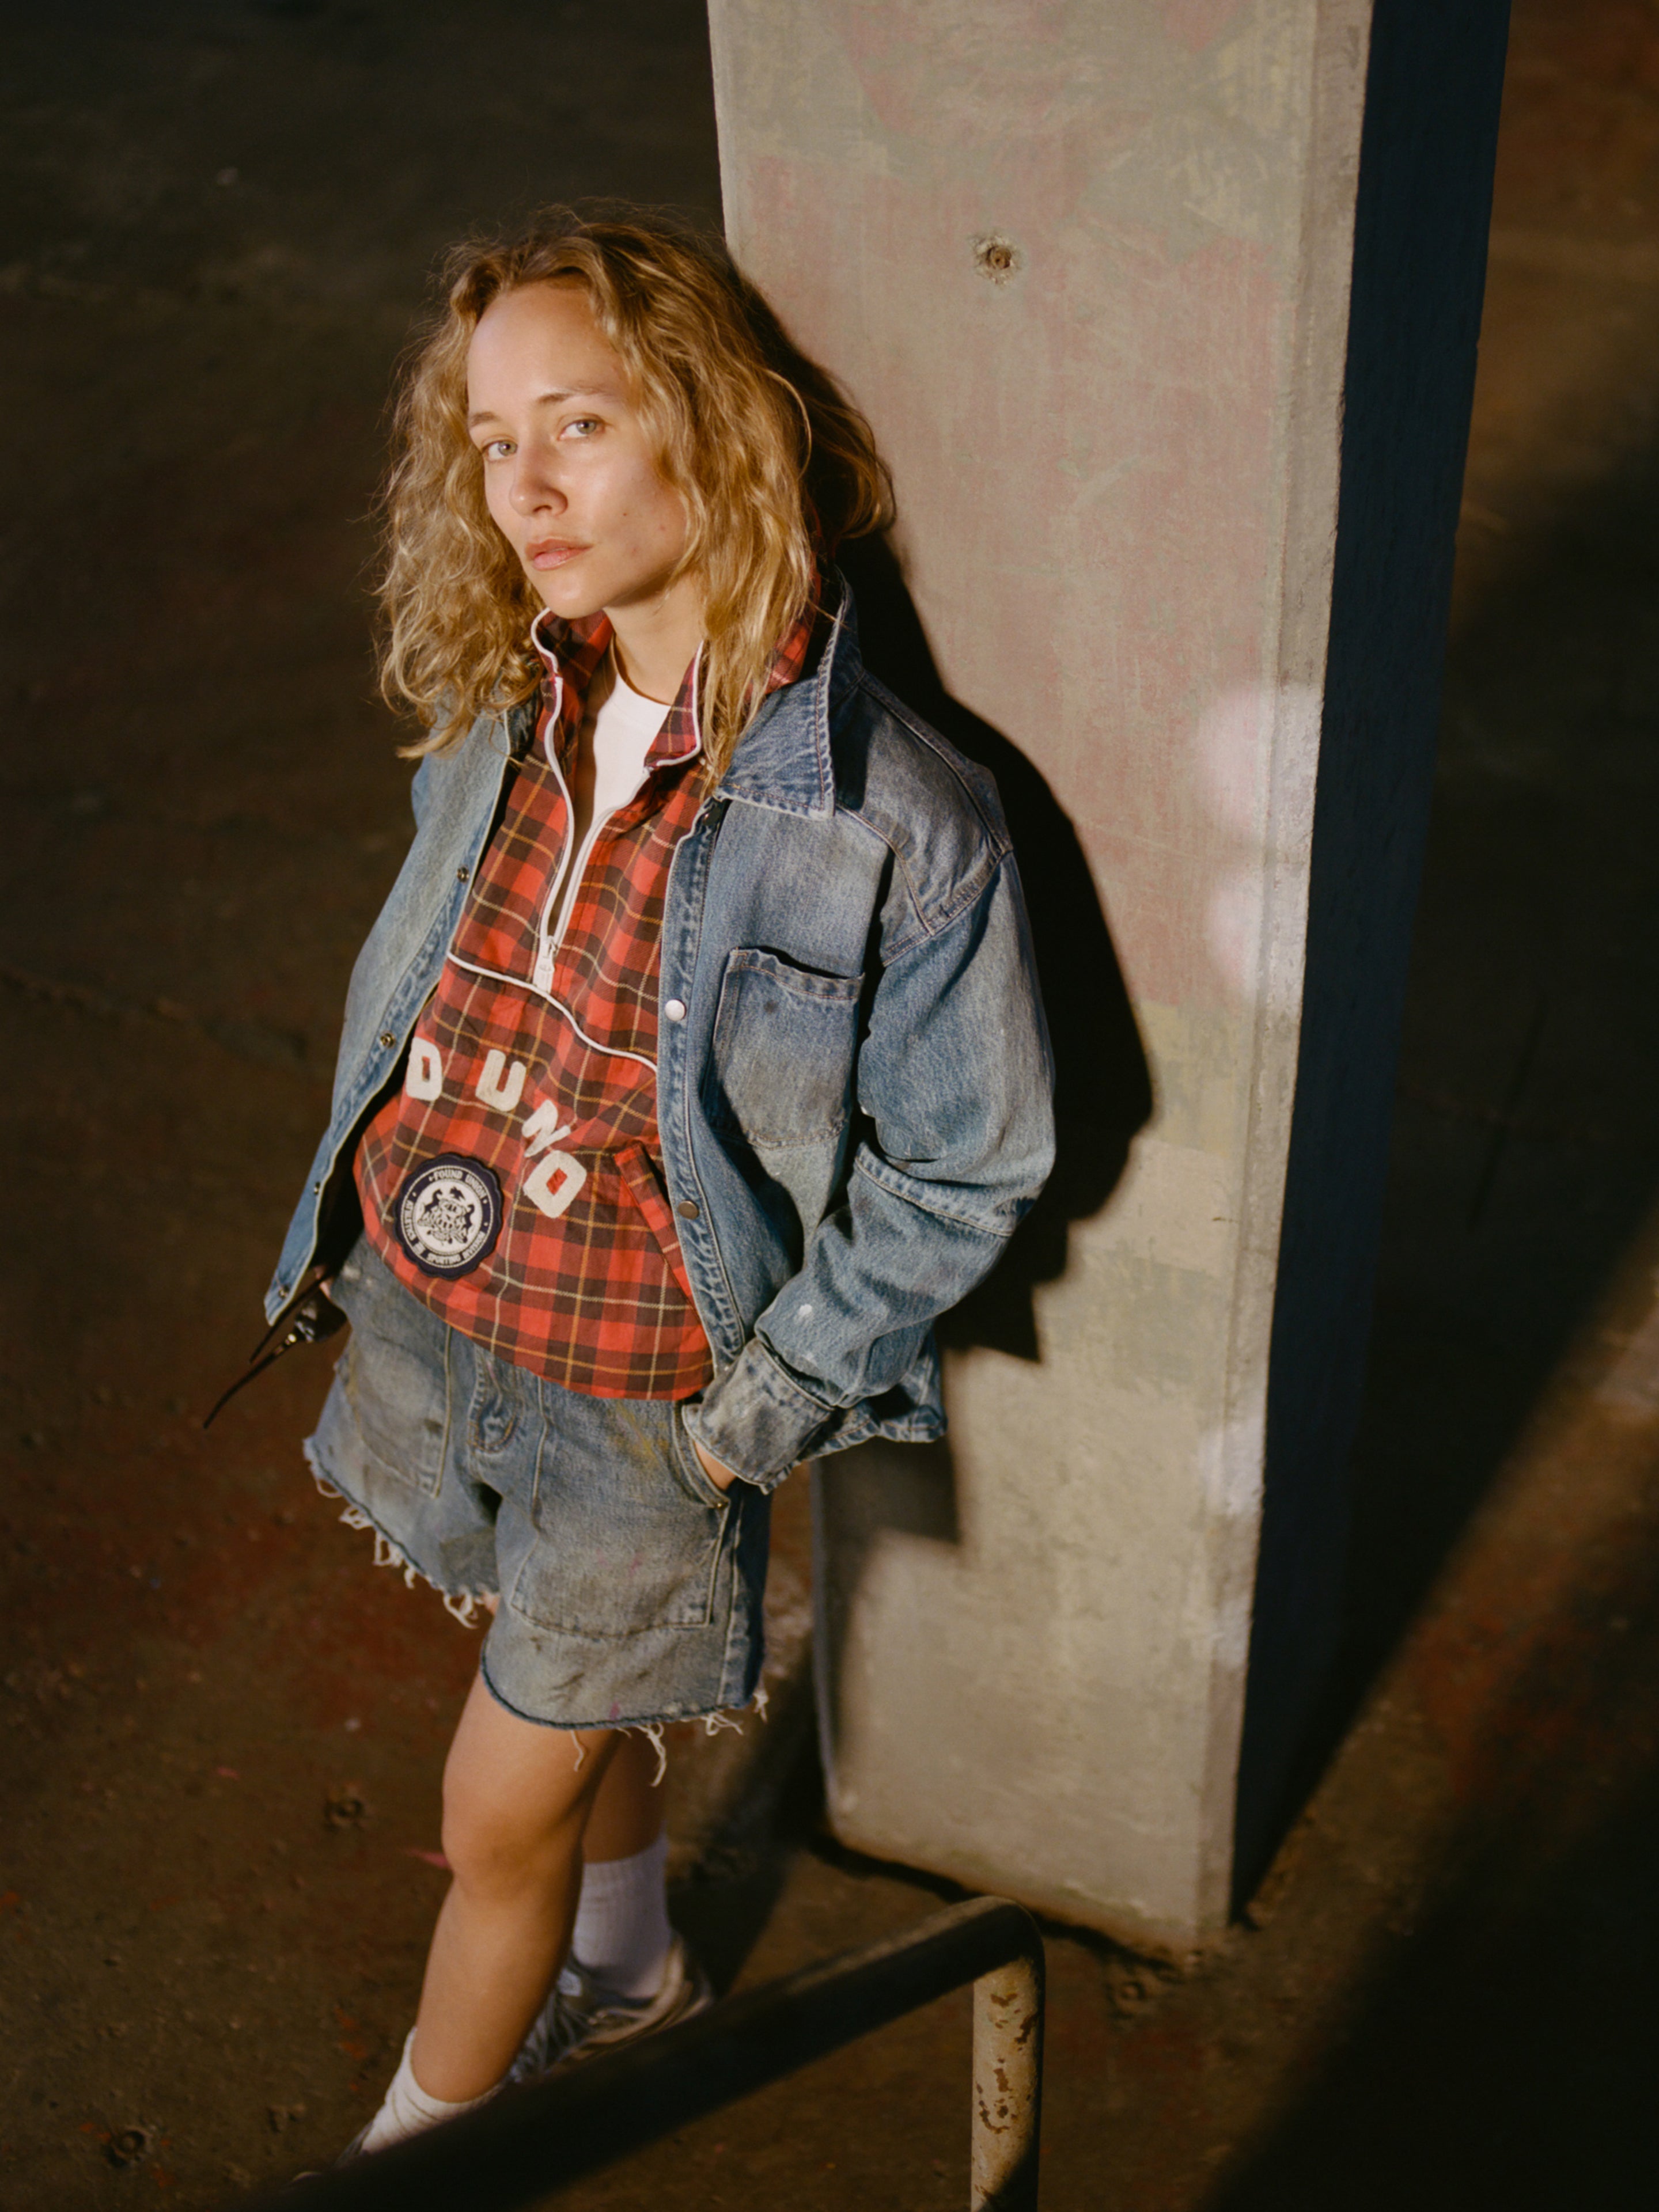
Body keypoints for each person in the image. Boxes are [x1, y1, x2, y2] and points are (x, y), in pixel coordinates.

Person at [260, 206, 1054, 2160]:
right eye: (489, 439)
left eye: (579, 425)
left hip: (644, 1413)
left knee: (484, 1820)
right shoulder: (497, 711)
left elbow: (974, 1162)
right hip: (453, 1334)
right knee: (563, 1703)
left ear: (711, 417)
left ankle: (411, 2155)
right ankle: (636, 1979)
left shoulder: (895, 821)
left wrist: (741, 1428)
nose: (521, 484)